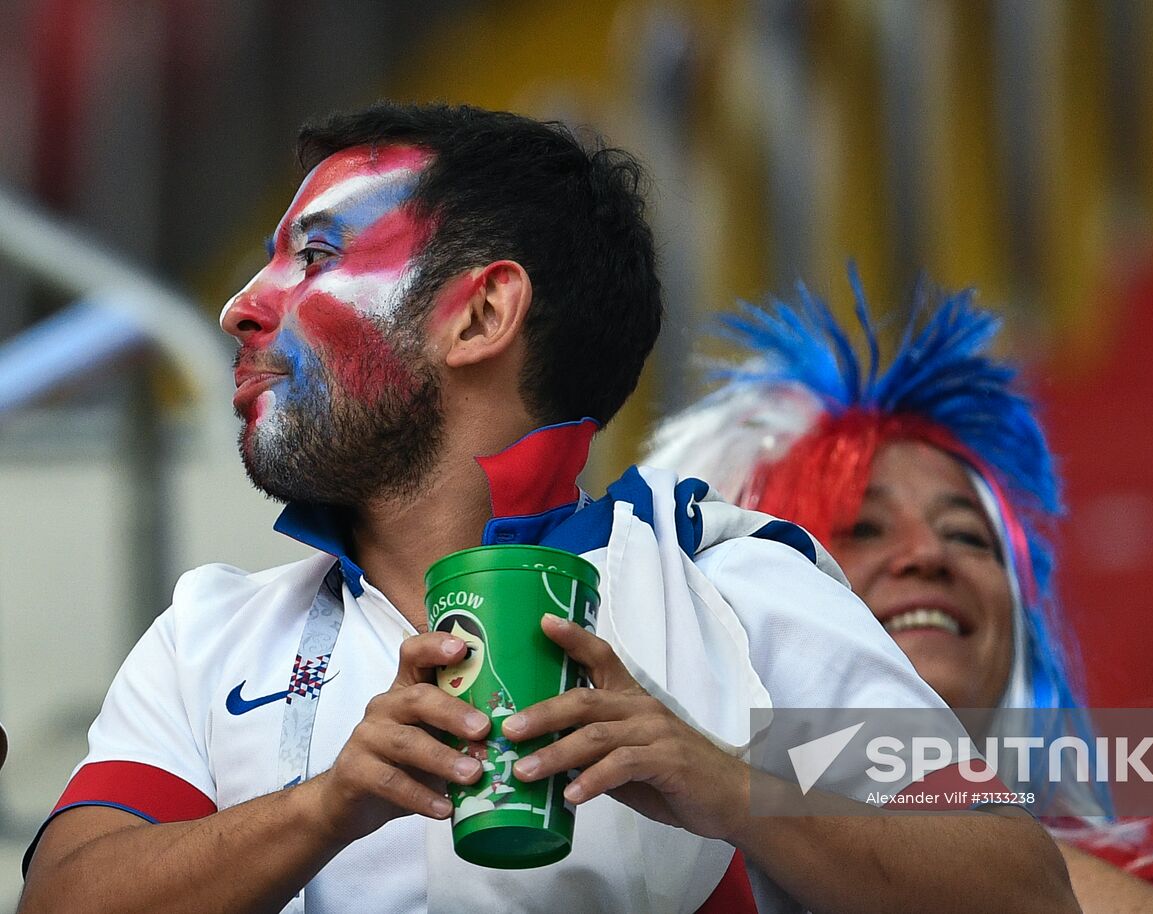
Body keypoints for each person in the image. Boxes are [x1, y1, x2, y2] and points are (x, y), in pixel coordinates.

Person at [18, 105, 1077, 914]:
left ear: (480, 312)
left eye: (319, 257)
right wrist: (326, 804)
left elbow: (1018, 883)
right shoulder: (210, 631)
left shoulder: (727, 581)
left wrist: (718, 780)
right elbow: (63, 896)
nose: (241, 304)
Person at [645, 266, 1153, 913]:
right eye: (862, 529)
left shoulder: (1135, 880)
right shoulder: (649, 863)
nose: (928, 554)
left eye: (969, 537)